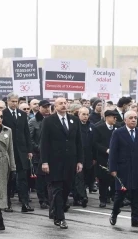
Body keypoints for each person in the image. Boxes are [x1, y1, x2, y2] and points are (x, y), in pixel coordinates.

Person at [40, 97, 83, 229]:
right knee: (57, 189)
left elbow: (78, 142)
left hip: (70, 161)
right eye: (60, 103)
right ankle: (61, 217)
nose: (64, 105)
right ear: (55, 106)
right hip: (54, 161)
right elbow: (44, 143)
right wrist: (44, 162)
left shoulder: (74, 120)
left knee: (66, 189)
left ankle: (56, 210)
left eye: (65, 103)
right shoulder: (48, 121)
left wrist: (80, 161)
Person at [108, 110, 138, 228]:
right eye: (131, 118)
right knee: (121, 194)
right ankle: (115, 213)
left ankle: (136, 219)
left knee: (137, 194)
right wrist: (113, 168)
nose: (133, 120)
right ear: (125, 120)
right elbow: (113, 152)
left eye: (135, 118)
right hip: (123, 169)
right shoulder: (118, 133)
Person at [2, 93, 33, 213]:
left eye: (16, 101)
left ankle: (25, 202)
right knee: (8, 177)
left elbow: (26, 133)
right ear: (8, 102)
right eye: (12, 101)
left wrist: (29, 150)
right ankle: (7, 203)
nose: (14, 103)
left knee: (23, 178)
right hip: (8, 150)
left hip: (21, 151)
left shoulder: (22, 115)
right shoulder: (3, 114)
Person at [94, 110, 120, 208]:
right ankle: (103, 199)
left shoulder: (118, 128)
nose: (115, 119)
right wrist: (106, 150)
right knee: (103, 180)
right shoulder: (99, 128)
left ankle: (113, 196)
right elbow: (95, 143)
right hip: (103, 157)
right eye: (113, 117)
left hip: (116, 157)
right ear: (107, 117)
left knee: (114, 178)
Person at [28, 100, 51, 209]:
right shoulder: (33, 121)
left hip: (50, 154)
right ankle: (42, 199)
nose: (47, 109)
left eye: (48, 107)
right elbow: (30, 138)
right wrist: (37, 148)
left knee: (49, 178)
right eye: (44, 107)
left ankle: (49, 198)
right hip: (38, 154)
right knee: (40, 179)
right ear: (40, 107)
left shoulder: (51, 120)